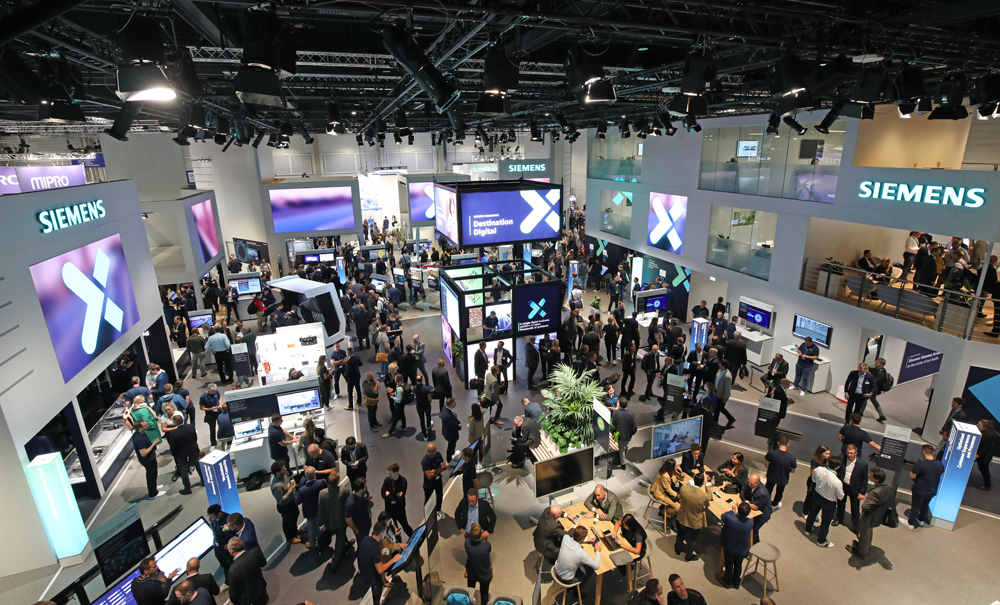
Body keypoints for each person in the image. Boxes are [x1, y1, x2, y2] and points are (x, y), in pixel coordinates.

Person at [848, 467, 895, 558]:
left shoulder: (875, 492)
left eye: (871, 475)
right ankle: (864, 545)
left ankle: (862, 552)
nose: (869, 475)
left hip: (870, 516)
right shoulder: (890, 487)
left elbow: (865, 506)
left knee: (865, 532)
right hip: (880, 514)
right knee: (868, 531)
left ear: (876, 479)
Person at [358, 521, 402, 604]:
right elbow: (380, 570)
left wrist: (380, 553)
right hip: (372, 579)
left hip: (363, 574)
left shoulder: (366, 539)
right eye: (385, 531)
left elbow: (367, 553)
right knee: (376, 598)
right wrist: (393, 559)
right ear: (381, 533)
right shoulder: (376, 548)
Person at [805, 455, 844, 548]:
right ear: (838, 467)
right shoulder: (837, 482)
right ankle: (821, 541)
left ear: (828, 463)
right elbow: (840, 496)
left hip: (817, 495)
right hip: (829, 502)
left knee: (812, 514)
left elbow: (813, 479)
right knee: (825, 522)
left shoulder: (818, 470)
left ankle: (808, 530)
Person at [906, 444, 944, 529]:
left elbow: (912, 476)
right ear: (933, 453)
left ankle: (911, 523)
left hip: (920, 489)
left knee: (916, 506)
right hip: (932, 490)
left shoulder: (920, 464)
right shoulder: (940, 464)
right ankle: (921, 520)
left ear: (923, 452)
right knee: (925, 505)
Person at [675, 473, 711, 561]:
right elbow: (710, 496)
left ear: (694, 479)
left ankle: (678, 549)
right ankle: (689, 556)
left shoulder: (684, 489)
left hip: (683, 517)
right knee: (692, 540)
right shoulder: (703, 496)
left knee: (680, 534)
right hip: (695, 522)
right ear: (702, 483)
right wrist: (707, 484)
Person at [718, 502, 754, 589]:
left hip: (729, 545)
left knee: (729, 563)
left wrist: (732, 511)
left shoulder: (730, 518)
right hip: (742, 548)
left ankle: (727, 580)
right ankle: (736, 582)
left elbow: (723, 516)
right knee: (738, 564)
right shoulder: (750, 523)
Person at [835, 443, 869, 532]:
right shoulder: (842, 458)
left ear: (856, 453)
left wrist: (862, 492)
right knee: (840, 503)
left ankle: (856, 527)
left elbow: (865, 480)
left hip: (855, 488)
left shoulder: (862, 464)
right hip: (843, 485)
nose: (849, 455)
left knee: (855, 508)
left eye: (851, 453)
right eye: (848, 453)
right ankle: (839, 518)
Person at [164, 418, 203, 495]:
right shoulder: (191, 427)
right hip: (193, 449)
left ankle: (187, 488)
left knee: (183, 469)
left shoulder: (172, 434)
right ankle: (205, 481)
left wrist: (174, 454)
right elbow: (195, 438)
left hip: (181, 453)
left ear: (175, 423)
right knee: (198, 465)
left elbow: (173, 447)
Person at [226, 538, 268, 605]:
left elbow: (233, 594)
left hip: (250, 601)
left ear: (231, 551)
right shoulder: (255, 552)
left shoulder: (232, 570)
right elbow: (263, 563)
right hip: (262, 591)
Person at [132, 420, 166, 499]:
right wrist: (153, 444)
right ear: (140, 429)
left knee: (153, 475)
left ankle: (153, 487)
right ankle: (153, 493)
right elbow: (144, 453)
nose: (147, 426)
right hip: (148, 461)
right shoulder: (139, 439)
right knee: (151, 475)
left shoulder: (139, 434)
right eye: (145, 426)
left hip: (150, 459)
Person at [269, 461, 300, 545]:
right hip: (285, 506)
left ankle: (295, 531)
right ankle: (289, 538)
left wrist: (291, 483)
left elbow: (288, 480)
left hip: (291, 501)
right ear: (278, 472)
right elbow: (280, 500)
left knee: (295, 514)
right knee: (287, 522)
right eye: (283, 469)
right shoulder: (277, 486)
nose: (285, 469)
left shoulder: (284, 474)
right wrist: (290, 490)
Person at [295, 467, 326, 550]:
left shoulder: (302, 490)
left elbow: (297, 502)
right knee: (321, 525)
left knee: (311, 528)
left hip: (310, 511)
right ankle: (322, 541)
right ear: (315, 474)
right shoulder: (322, 482)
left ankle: (312, 544)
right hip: (321, 509)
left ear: (305, 476)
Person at [764, 435, 797, 509]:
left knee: (768, 489)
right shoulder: (792, 458)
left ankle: (766, 502)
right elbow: (793, 471)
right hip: (783, 478)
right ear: (788, 444)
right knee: (779, 492)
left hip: (771, 476)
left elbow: (767, 464)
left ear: (778, 443)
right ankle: (774, 504)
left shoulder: (771, 453)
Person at [381, 463, 413, 537]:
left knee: (405, 526)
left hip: (400, 510)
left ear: (396, 473)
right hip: (389, 510)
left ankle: (414, 539)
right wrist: (392, 497)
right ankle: (399, 546)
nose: (389, 475)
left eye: (390, 473)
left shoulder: (403, 482)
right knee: (394, 530)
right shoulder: (387, 480)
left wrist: (389, 495)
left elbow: (400, 498)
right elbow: (382, 493)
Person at [464, 523, 492, 602]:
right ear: (482, 533)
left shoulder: (467, 543)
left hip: (471, 573)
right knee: (484, 594)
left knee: (470, 592)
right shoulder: (487, 546)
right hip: (484, 575)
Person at [651, 459, 682, 528]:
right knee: (678, 508)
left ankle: (670, 515)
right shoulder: (665, 475)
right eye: (675, 466)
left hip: (666, 492)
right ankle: (664, 513)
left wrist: (681, 472)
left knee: (682, 501)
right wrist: (677, 495)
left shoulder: (670, 471)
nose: (677, 467)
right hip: (661, 494)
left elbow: (681, 478)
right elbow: (668, 490)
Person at [743, 473, 772, 543]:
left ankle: (754, 544)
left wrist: (747, 503)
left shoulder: (762, 494)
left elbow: (755, 506)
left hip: (762, 514)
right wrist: (748, 503)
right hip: (756, 508)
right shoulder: (750, 483)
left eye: (751, 484)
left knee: (754, 529)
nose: (749, 485)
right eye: (749, 483)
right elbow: (743, 492)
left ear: (758, 484)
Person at [344, 477, 373, 541]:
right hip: (360, 527)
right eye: (365, 486)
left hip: (367, 521)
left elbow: (368, 499)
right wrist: (357, 531)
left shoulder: (364, 492)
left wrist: (369, 511)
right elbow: (348, 520)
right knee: (361, 543)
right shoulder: (350, 503)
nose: (366, 486)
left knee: (366, 538)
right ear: (360, 489)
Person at [612, 399, 637, 470]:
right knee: (626, 446)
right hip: (628, 435)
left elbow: (613, 424)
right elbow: (634, 427)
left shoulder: (615, 413)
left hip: (620, 435)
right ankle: (624, 459)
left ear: (619, 404)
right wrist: (631, 433)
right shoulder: (632, 414)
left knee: (621, 449)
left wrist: (614, 433)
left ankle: (623, 463)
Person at [421, 443, 446, 513]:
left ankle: (438, 509)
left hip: (438, 481)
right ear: (428, 452)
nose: (435, 452)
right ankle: (428, 513)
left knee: (439, 496)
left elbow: (444, 467)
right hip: (429, 484)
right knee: (428, 500)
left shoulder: (438, 455)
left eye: (435, 450)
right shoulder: (424, 461)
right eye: (433, 451)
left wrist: (435, 471)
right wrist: (439, 470)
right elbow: (429, 476)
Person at [975, 419, 999, 491]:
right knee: (983, 469)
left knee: (984, 469)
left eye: (979, 425)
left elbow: (985, 448)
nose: (977, 425)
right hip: (984, 454)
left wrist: (977, 455)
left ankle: (987, 485)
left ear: (984, 427)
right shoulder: (990, 433)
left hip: (985, 456)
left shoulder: (988, 436)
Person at [868, 358, 890, 423]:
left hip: (874, 389)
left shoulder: (881, 373)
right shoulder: (878, 369)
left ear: (882, 364)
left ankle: (859, 412)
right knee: (873, 400)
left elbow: (874, 381)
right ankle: (881, 415)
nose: (875, 363)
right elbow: (872, 369)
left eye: (877, 362)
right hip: (874, 389)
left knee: (864, 399)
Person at [714, 360, 736, 425]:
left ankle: (731, 418)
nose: (718, 365)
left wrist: (724, 398)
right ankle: (715, 419)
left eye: (720, 364)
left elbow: (727, 389)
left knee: (720, 408)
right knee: (718, 407)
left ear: (723, 366)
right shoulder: (720, 371)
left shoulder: (727, 376)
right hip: (717, 392)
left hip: (722, 395)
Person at [441, 398, 462, 463]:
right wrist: (459, 426)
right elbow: (456, 426)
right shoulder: (449, 416)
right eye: (454, 404)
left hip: (446, 430)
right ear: (450, 405)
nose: (455, 404)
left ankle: (452, 453)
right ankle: (449, 460)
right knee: (451, 446)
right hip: (451, 434)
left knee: (452, 446)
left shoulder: (444, 408)